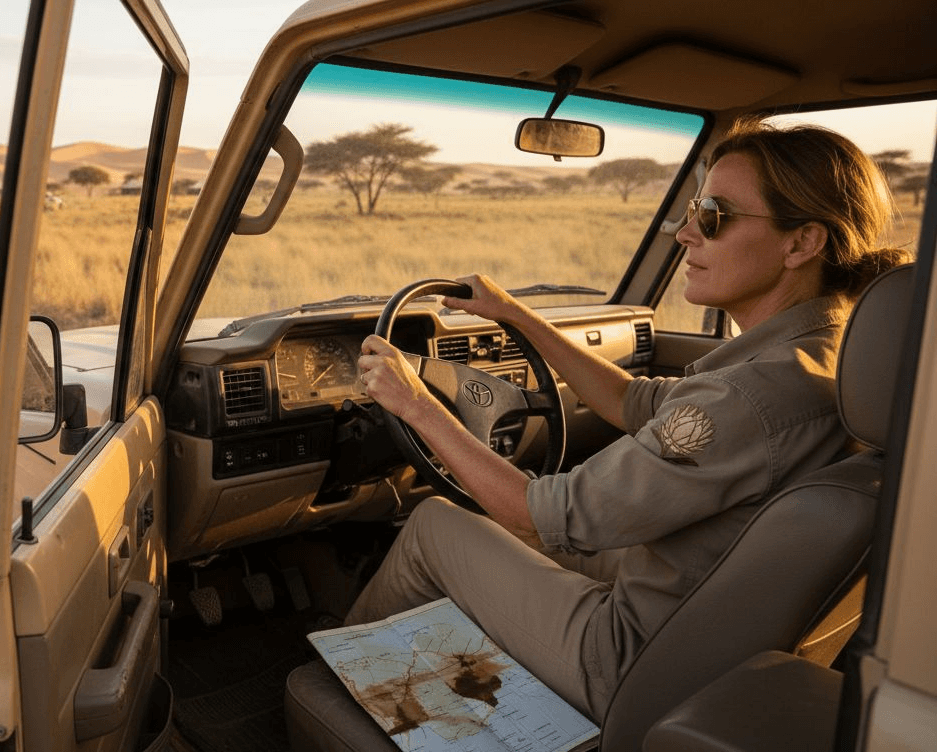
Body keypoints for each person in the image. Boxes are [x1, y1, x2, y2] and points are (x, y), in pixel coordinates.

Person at [347, 119, 911, 720]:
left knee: (434, 525)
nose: (684, 232)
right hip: (704, 628)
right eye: (692, 209)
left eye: (714, 216)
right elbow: (631, 401)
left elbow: (539, 515)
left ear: (801, 244)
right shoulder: (826, 359)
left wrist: (416, 405)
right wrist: (516, 315)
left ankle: (328, 701)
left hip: (624, 657)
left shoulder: (746, 399)